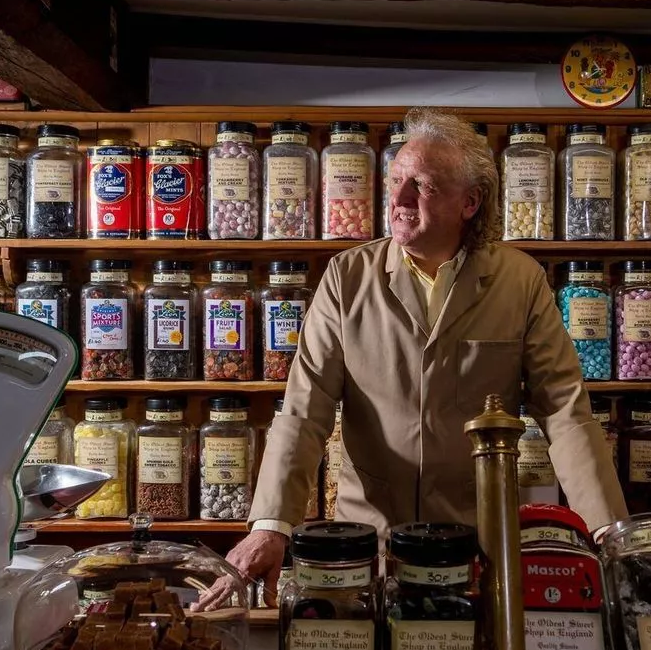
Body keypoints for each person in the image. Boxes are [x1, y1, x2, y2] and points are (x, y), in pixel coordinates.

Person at [220, 107, 626, 600]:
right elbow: (305, 410)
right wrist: (271, 524)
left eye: (423, 185)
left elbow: (564, 411)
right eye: (396, 180)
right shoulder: (348, 278)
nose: (399, 198)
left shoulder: (521, 282)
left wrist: (608, 530)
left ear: (470, 202)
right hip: (367, 546)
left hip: (477, 544)